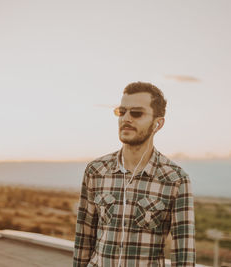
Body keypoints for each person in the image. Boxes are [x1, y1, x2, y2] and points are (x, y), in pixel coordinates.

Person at [73, 82, 195, 267]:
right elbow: (83, 239)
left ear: (158, 123)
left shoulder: (175, 180)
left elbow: (183, 256)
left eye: (136, 113)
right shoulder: (96, 171)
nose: (126, 119)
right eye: (122, 112)